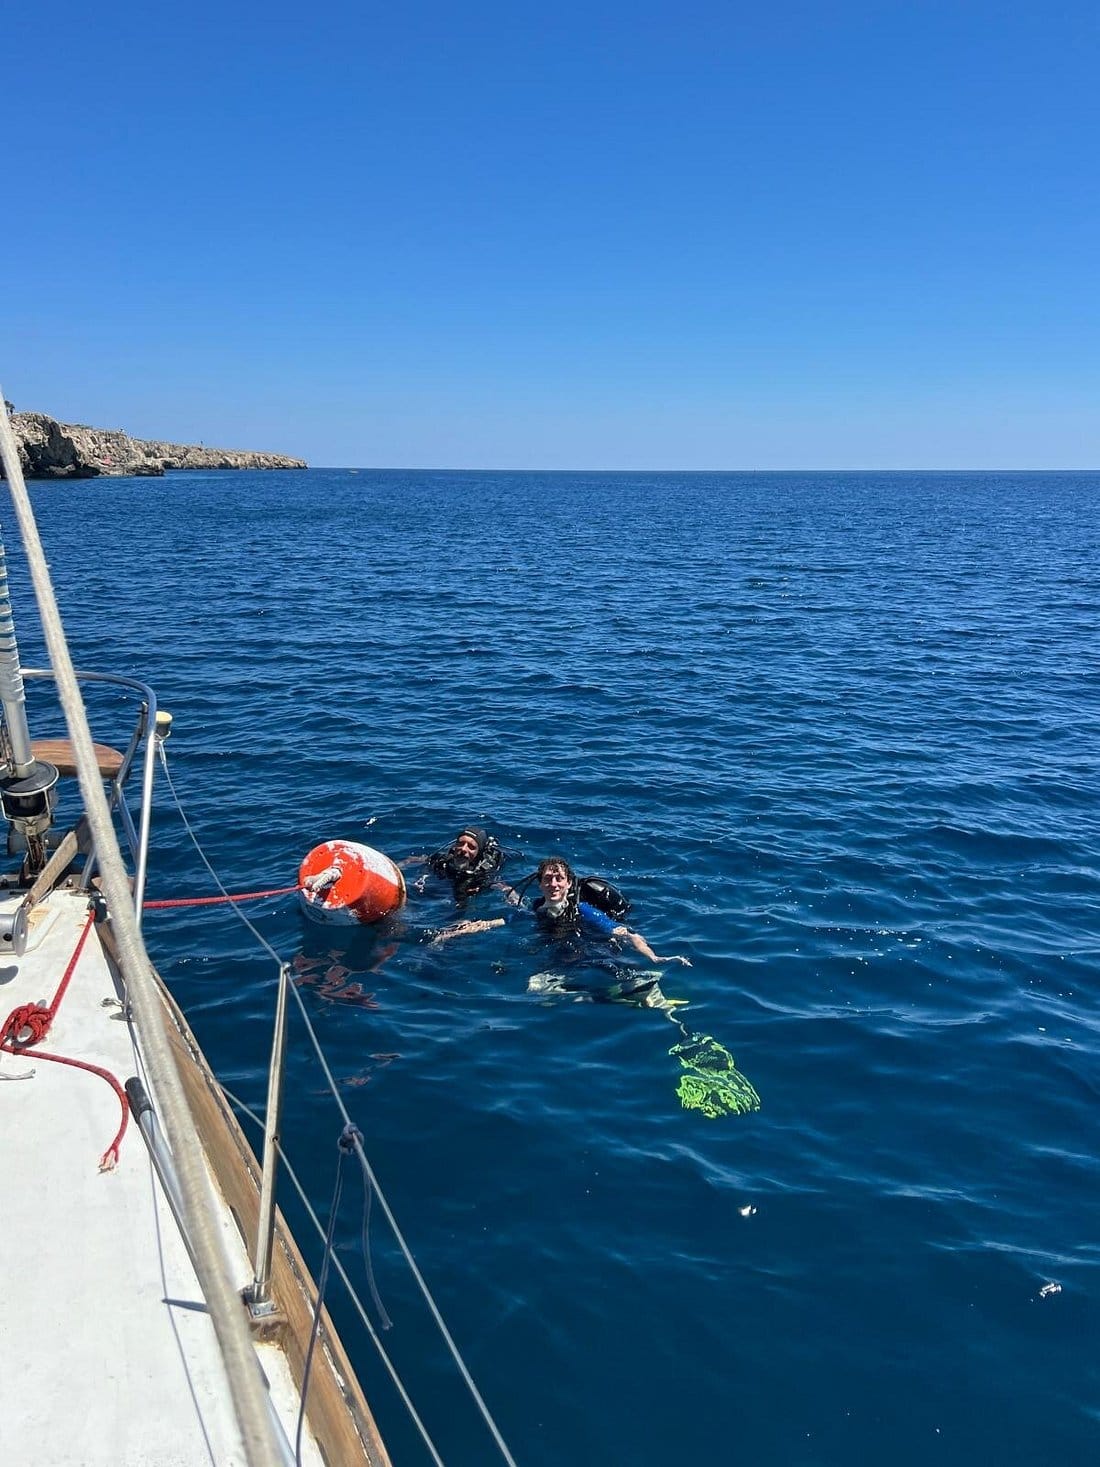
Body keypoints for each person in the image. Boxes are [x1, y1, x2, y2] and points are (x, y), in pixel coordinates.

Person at [432, 855, 690, 966]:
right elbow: (492, 922)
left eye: (558, 879)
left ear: (568, 884)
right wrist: (452, 933)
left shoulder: (584, 910)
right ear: (540, 884)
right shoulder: (536, 910)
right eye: (547, 879)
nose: (553, 884)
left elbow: (627, 933)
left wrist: (654, 957)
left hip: (594, 950)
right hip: (558, 952)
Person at [402, 826, 504, 900]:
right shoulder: (444, 860)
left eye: (471, 847)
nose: (463, 849)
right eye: (460, 843)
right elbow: (416, 859)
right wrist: (401, 864)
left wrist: (511, 894)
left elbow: (499, 885)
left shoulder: (483, 873)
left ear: (479, 853)